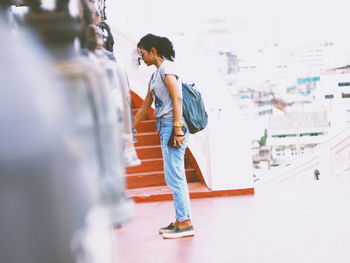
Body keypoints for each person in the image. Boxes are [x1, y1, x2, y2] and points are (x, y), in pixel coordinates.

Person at [134, 33, 194, 238]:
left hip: (172, 126)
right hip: (164, 127)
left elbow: (177, 97)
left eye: (143, 53)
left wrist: (178, 128)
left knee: (176, 176)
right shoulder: (154, 75)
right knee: (173, 175)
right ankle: (180, 219)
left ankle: (185, 222)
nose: (141, 57)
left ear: (153, 51)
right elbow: (144, 108)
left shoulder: (167, 68)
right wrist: (129, 129)